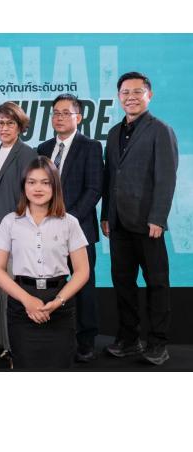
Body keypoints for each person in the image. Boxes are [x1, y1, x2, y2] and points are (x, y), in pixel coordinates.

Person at [101, 71, 178, 365]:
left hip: (148, 223)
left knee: (157, 284)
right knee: (123, 283)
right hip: (118, 223)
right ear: (119, 97)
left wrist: (158, 218)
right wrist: (106, 215)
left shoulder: (160, 130)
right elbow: (110, 177)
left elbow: (166, 178)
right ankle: (129, 339)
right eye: (125, 92)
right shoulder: (113, 133)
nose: (130, 97)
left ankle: (158, 343)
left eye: (137, 92)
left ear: (149, 95)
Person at [0, 156, 89, 369]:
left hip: (60, 304)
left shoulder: (69, 222)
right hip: (21, 303)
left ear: (55, 187)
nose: (38, 188)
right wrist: (27, 300)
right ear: (23, 186)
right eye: (32, 182)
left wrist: (58, 301)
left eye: (45, 182)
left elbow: (82, 271)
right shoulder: (10, 221)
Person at [37, 94, 103, 363]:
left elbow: (94, 189)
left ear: (79, 117)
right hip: (45, 231)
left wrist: (68, 222)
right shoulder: (43, 147)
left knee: (83, 287)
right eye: (56, 113)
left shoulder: (91, 147)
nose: (59, 117)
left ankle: (86, 342)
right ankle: (55, 337)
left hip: (79, 231)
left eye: (66, 113)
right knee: (51, 284)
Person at [0, 101, 36, 361]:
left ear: (20, 126)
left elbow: (29, 194)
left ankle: (13, 345)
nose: (4, 128)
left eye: (10, 123)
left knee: (10, 288)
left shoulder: (27, 154)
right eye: (0, 123)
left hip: (13, 230)